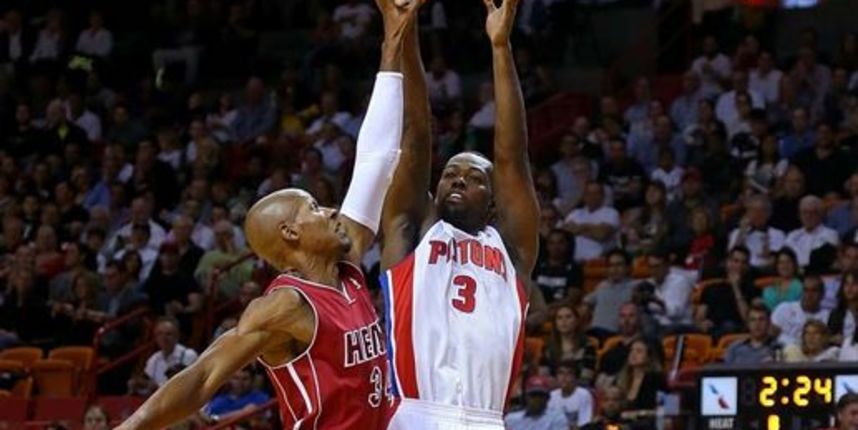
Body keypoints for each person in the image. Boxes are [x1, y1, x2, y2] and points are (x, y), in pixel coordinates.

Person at [115, 1, 419, 427]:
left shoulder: (346, 262)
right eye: (314, 208)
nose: (331, 209)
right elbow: (204, 376)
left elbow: (376, 161)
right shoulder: (284, 306)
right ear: (290, 233)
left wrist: (392, 39)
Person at [379, 0, 540, 428]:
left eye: (474, 177)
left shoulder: (512, 251)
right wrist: (404, 27)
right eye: (450, 173)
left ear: (493, 204)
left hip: (488, 420)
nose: (457, 179)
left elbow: (512, 157)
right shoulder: (411, 232)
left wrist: (501, 47)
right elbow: (414, 137)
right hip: (417, 413)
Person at [771, 275, 829, 346]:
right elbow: (771, 333)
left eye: (814, 291)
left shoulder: (828, 316)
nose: (809, 295)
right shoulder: (784, 308)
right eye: (806, 290)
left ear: (822, 294)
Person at [202, 367, 270, 422]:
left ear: (252, 380)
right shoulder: (219, 398)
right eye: (236, 378)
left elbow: (252, 413)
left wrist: (217, 419)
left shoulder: (260, 397)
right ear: (229, 380)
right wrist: (241, 413)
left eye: (245, 379)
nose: (240, 383)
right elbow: (206, 417)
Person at [504, 376, 569, 430]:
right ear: (526, 397)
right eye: (533, 395)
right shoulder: (511, 419)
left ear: (547, 398)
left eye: (540, 395)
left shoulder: (557, 418)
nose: (537, 399)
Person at [548, 360, 594, 429]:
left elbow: (584, 424)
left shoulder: (584, 395)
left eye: (569, 373)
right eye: (561, 373)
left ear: (575, 377)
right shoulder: (551, 395)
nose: (564, 377)